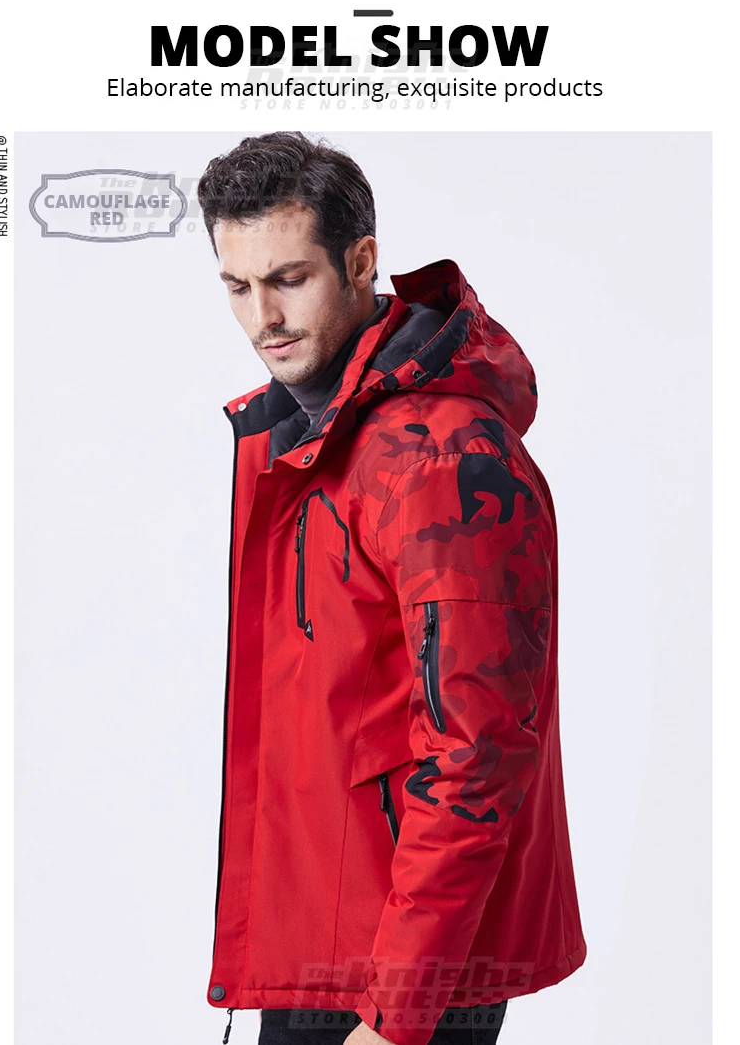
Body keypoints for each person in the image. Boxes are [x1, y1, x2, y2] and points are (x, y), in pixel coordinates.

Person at [197, 132, 587, 1045]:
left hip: (398, 978)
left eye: (289, 279)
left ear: (362, 260)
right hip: (327, 948)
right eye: (237, 286)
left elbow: (478, 751)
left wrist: (395, 1018)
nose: (263, 318)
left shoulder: (438, 458)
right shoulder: (322, 435)